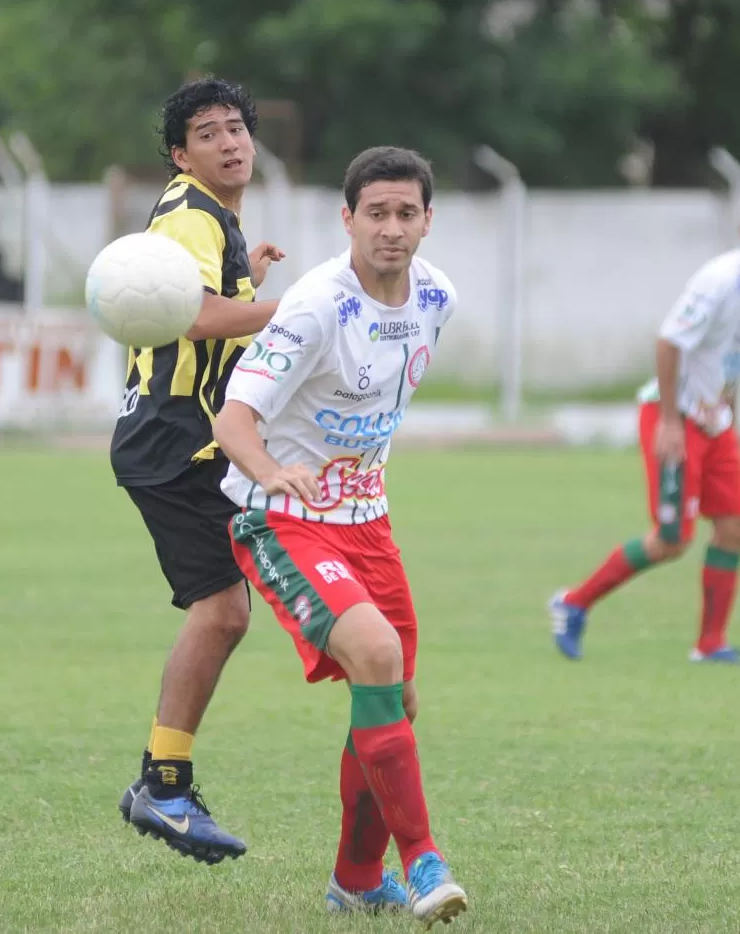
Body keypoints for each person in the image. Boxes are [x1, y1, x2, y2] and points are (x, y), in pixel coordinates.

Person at [213, 146, 469, 926]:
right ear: (347, 218)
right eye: (375, 213)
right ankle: (422, 862)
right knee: (381, 658)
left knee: (396, 696)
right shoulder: (317, 303)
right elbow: (234, 419)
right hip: (280, 518)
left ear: (428, 220)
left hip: (367, 525)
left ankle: (356, 881)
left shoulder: (436, 296)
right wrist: (272, 472)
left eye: (406, 213)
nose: (391, 229)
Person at [112, 76, 285, 864]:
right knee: (222, 613)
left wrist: (259, 281)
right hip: (174, 440)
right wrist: (299, 306)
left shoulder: (213, 217)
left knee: (229, 611)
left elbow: (214, 309)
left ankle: (166, 782)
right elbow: (197, 314)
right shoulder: (189, 212)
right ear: (182, 154)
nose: (231, 141)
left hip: (187, 440)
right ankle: (165, 786)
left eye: (238, 128)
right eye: (209, 133)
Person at [549, 191, 740, 664]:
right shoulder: (719, 281)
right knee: (671, 539)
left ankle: (710, 644)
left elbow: (729, 353)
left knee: (735, 527)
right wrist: (672, 422)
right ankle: (573, 603)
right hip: (675, 416)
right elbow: (669, 341)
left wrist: (724, 402)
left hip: (714, 421)